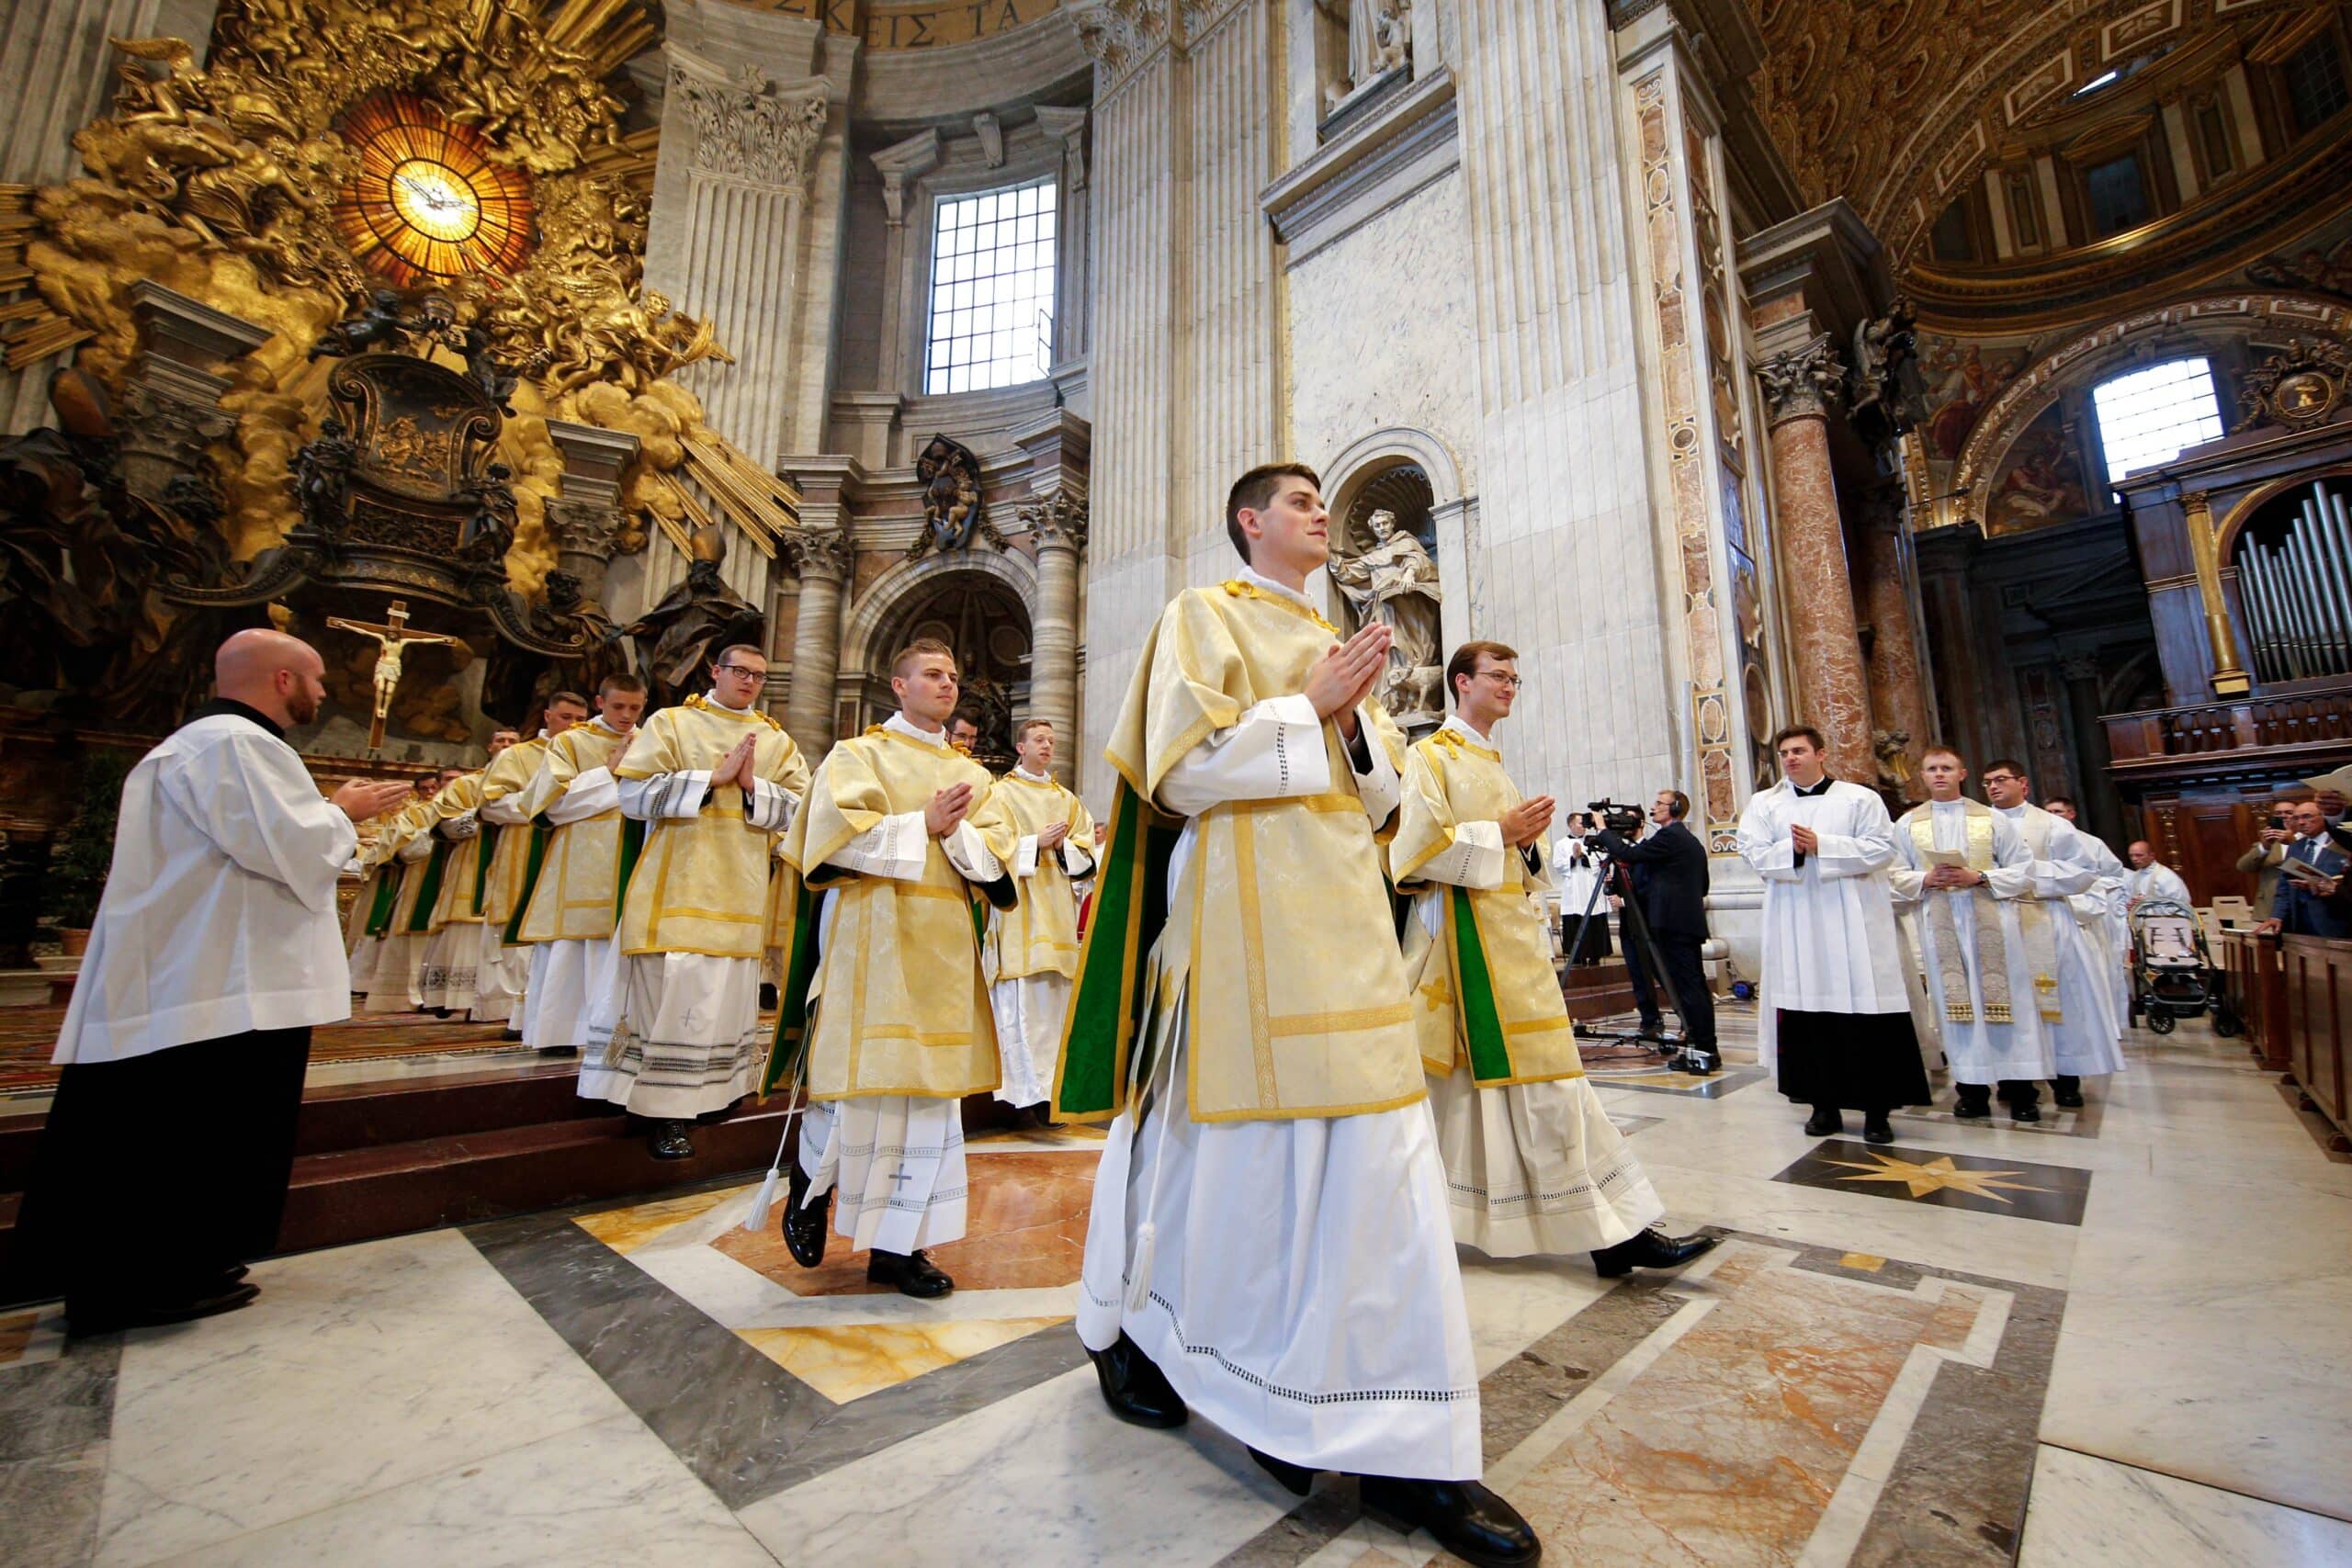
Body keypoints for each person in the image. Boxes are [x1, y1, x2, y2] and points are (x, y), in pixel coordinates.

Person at [1054, 463, 1540, 1567]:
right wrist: (1305, 708)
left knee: (1373, 1155)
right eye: (1303, 503)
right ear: (1249, 521)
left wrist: (1359, 726)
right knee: (1216, 1152)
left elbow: (1375, 801)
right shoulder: (1202, 616)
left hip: (1340, 914)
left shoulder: (1341, 637)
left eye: (1326, 504)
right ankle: (1154, 1339)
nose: (1323, 517)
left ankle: (1396, 1435)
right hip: (1240, 918)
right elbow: (1174, 775)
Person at [11, 631, 409, 1332]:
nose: (323, 691)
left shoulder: (212, 743)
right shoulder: (233, 743)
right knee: (181, 1135)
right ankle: (148, 1281)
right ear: (282, 679)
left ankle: (185, 1262)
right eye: (315, 679)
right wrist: (343, 810)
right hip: (211, 978)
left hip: (210, 971)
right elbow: (286, 845)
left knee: (197, 1133)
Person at [1393, 640, 1715, 1275]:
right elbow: (1413, 854)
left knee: (1543, 1085)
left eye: (1517, 677)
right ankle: (1603, 1234)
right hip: (1467, 949)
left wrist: (1526, 844)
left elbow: (1521, 861)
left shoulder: (1491, 759)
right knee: (1504, 1090)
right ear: (1462, 681)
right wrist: (1502, 834)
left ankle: (1613, 1229)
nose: (1512, 685)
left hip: (1510, 941)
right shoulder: (1430, 756)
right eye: (1499, 676)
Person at [776, 639, 1018, 1298]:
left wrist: (951, 831)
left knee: (928, 1101)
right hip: (874, 941)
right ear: (898, 684)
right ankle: (809, 1184)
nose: (947, 684)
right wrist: (921, 824)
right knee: (864, 1084)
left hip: (941, 950)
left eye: (953, 675)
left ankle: (902, 1247)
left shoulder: (974, 775)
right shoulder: (859, 755)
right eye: (933, 675)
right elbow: (828, 841)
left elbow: (996, 861)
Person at [592, 645, 809, 1158]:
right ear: (716, 671)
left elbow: (802, 812)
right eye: (740, 672)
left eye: (758, 675)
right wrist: (708, 780)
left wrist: (755, 785)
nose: (749, 682)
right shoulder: (672, 724)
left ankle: (715, 1094)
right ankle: (663, 1113)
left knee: (726, 996)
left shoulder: (777, 741)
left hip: (742, 887)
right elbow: (630, 796)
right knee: (675, 989)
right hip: (676, 885)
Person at [1736, 725, 1927, 1145]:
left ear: (1821, 754)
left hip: (1854, 920)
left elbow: (1882, 848)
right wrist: (1792, 851)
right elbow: (1751, 851)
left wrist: (1824, 844)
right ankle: (1823, 1106)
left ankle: (1878, 1112)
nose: (1790, 758)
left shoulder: (1859, 798)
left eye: (1799, 750)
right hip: (1797, 921)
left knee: (1866, 1007)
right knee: (1810, 1011)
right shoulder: (1765, 804)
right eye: (1785, 752)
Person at [1892, 749, 2052, 1121]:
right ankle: (1971, 1091)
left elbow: (2025, 870)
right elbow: (1894, 874)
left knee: (2007, 1004)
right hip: (1940, 924)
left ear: (1962, 773)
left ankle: (2020, 1090)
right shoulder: (1907, 824)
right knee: (1956, 1009)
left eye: (1946, 768)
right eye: (1932, 769)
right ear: (1923, 775)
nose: (1939, 775)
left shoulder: (1992, 820)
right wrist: (1925, 879)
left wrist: (1979, 877)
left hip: (1992, 921)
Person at [511, 675, 646, 1057]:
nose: (626, 716)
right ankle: (559, 1033)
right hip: (579, 862)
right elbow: (550, 806)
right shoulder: (571, 741)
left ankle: (612, 1041)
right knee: (573, 948)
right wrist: (608, 773)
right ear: (600, 702)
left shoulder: (653, 741)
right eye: (618, 706)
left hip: (634, 857)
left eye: (635, 708)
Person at [1982, 761, 2125, 1108]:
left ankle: (2066, 1078)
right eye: (1987, 783)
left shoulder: (2053, 825)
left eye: (2001, 780)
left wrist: (2023, 875)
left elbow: (2083, 871)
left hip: (2047, 918)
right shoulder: (1979, 825)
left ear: (2023, 784)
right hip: (1998, 924)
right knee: (2009, 1006)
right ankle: (2015, 1081)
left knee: (2061, 1005)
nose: (1993, 787)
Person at [984, 717, 1096, 1128]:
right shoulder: (1000, 794)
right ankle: (1027, 1094)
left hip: (1058, 914)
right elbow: (989, 847)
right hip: (1019, 914)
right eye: (1039, 740)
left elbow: (1085, 849)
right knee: (1025, 1004)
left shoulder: (1066, 798)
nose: (1048, 746)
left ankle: (1054, 1089)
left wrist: (1064, 845)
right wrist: (1035, 843)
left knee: (1055, 1006)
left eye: (1052, 739)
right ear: (1020, 747)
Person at [475, 693, 589, 1036]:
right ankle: (515, 1013)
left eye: (580, 719)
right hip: (525, 851)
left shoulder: (589, 752)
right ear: (547, 716)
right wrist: (545, 805)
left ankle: (554, 1017)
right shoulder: (519, 756)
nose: (573, 726)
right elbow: (490, 806)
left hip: (575, 857)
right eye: (566, 717)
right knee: (519, 935)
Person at [1593, 788, 1718, 1071]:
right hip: (1686, 922)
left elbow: (1625, 853)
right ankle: (1704, 1048)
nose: (1654, 808)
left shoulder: (1671, 837)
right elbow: (1703, 886)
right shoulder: (1689, 840)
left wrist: (1602, 829)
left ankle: (1703, 1051)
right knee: (1693, 987)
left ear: (1674, 808)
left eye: (1660, 804)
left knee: (1689, 989)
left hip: (1674, 924)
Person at [415, 738, 511, 1018]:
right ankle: (455, 996)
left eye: (512, 742)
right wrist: (483, 815)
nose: (506, 746)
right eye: (500, 740)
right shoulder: (466, 785)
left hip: (511, 866)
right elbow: (442, 825)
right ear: (489, 747)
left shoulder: (527, 780)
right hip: (471, 865)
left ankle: (493, 1001)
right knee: (465, 927)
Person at [359, 767, 467, 1013]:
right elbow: (402, 850)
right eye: (448, 780)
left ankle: (451, 995)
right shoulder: (417, 814)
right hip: (423, 883)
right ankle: (415, 994)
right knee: (419, 939)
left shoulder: (474, 808)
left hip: (461, 882)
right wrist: (439, 832)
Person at [2045, 796, 2132, 1027]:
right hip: (2050, 915)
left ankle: (2100, 1026)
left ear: (2071, 814)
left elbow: (2114, 875)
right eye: (2049, 812)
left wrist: (2086, 888)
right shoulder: (2037, 843)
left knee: (2093, 975)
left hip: (2085, 915)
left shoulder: (2092, 843)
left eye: (2058, 812)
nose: (2053, 817)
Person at [2258, 802, 2350, 939]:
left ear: (2323, 817)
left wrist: (2321, 885)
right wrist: (2277, 916)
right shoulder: (2295, 847)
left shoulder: (2342, 846)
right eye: (2296, 818)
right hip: (2300, 923)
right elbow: (2284, 887)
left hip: (2334, 922)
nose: (2301, 822)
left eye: (2307, 816)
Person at [1551, 829, 1611, 963]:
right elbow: (1558, 864)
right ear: (1571, 824)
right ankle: (1578, 957)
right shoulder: (1561, 844)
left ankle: (1596, 955)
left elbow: (1603, 860)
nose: (1582, 826)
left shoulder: (1594, 842)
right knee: (1575, 918)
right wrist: (1573, 858)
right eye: (1579, 823)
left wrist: (1584, 856)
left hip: (1591, 885)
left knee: (1595, 917)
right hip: (1574, 888)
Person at [2233, 799, 2298, 924]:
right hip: (2270, 907)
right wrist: (2264, 847)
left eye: (2289, 812)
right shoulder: (2268, 844)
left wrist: (2293, 842)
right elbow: (2243, 867)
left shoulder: (2308, 842)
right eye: (2278, 814)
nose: (2283, 816)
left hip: (2302, 905)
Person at [2122, 840, 2193, 912]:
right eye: (2131, 856)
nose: (2134, 859)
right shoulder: (2135, 876)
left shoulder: (2165, 876)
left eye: (2139, 855)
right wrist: (2131, 905)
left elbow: (2182, 905)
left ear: (2152, 856)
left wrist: (2149, 903)